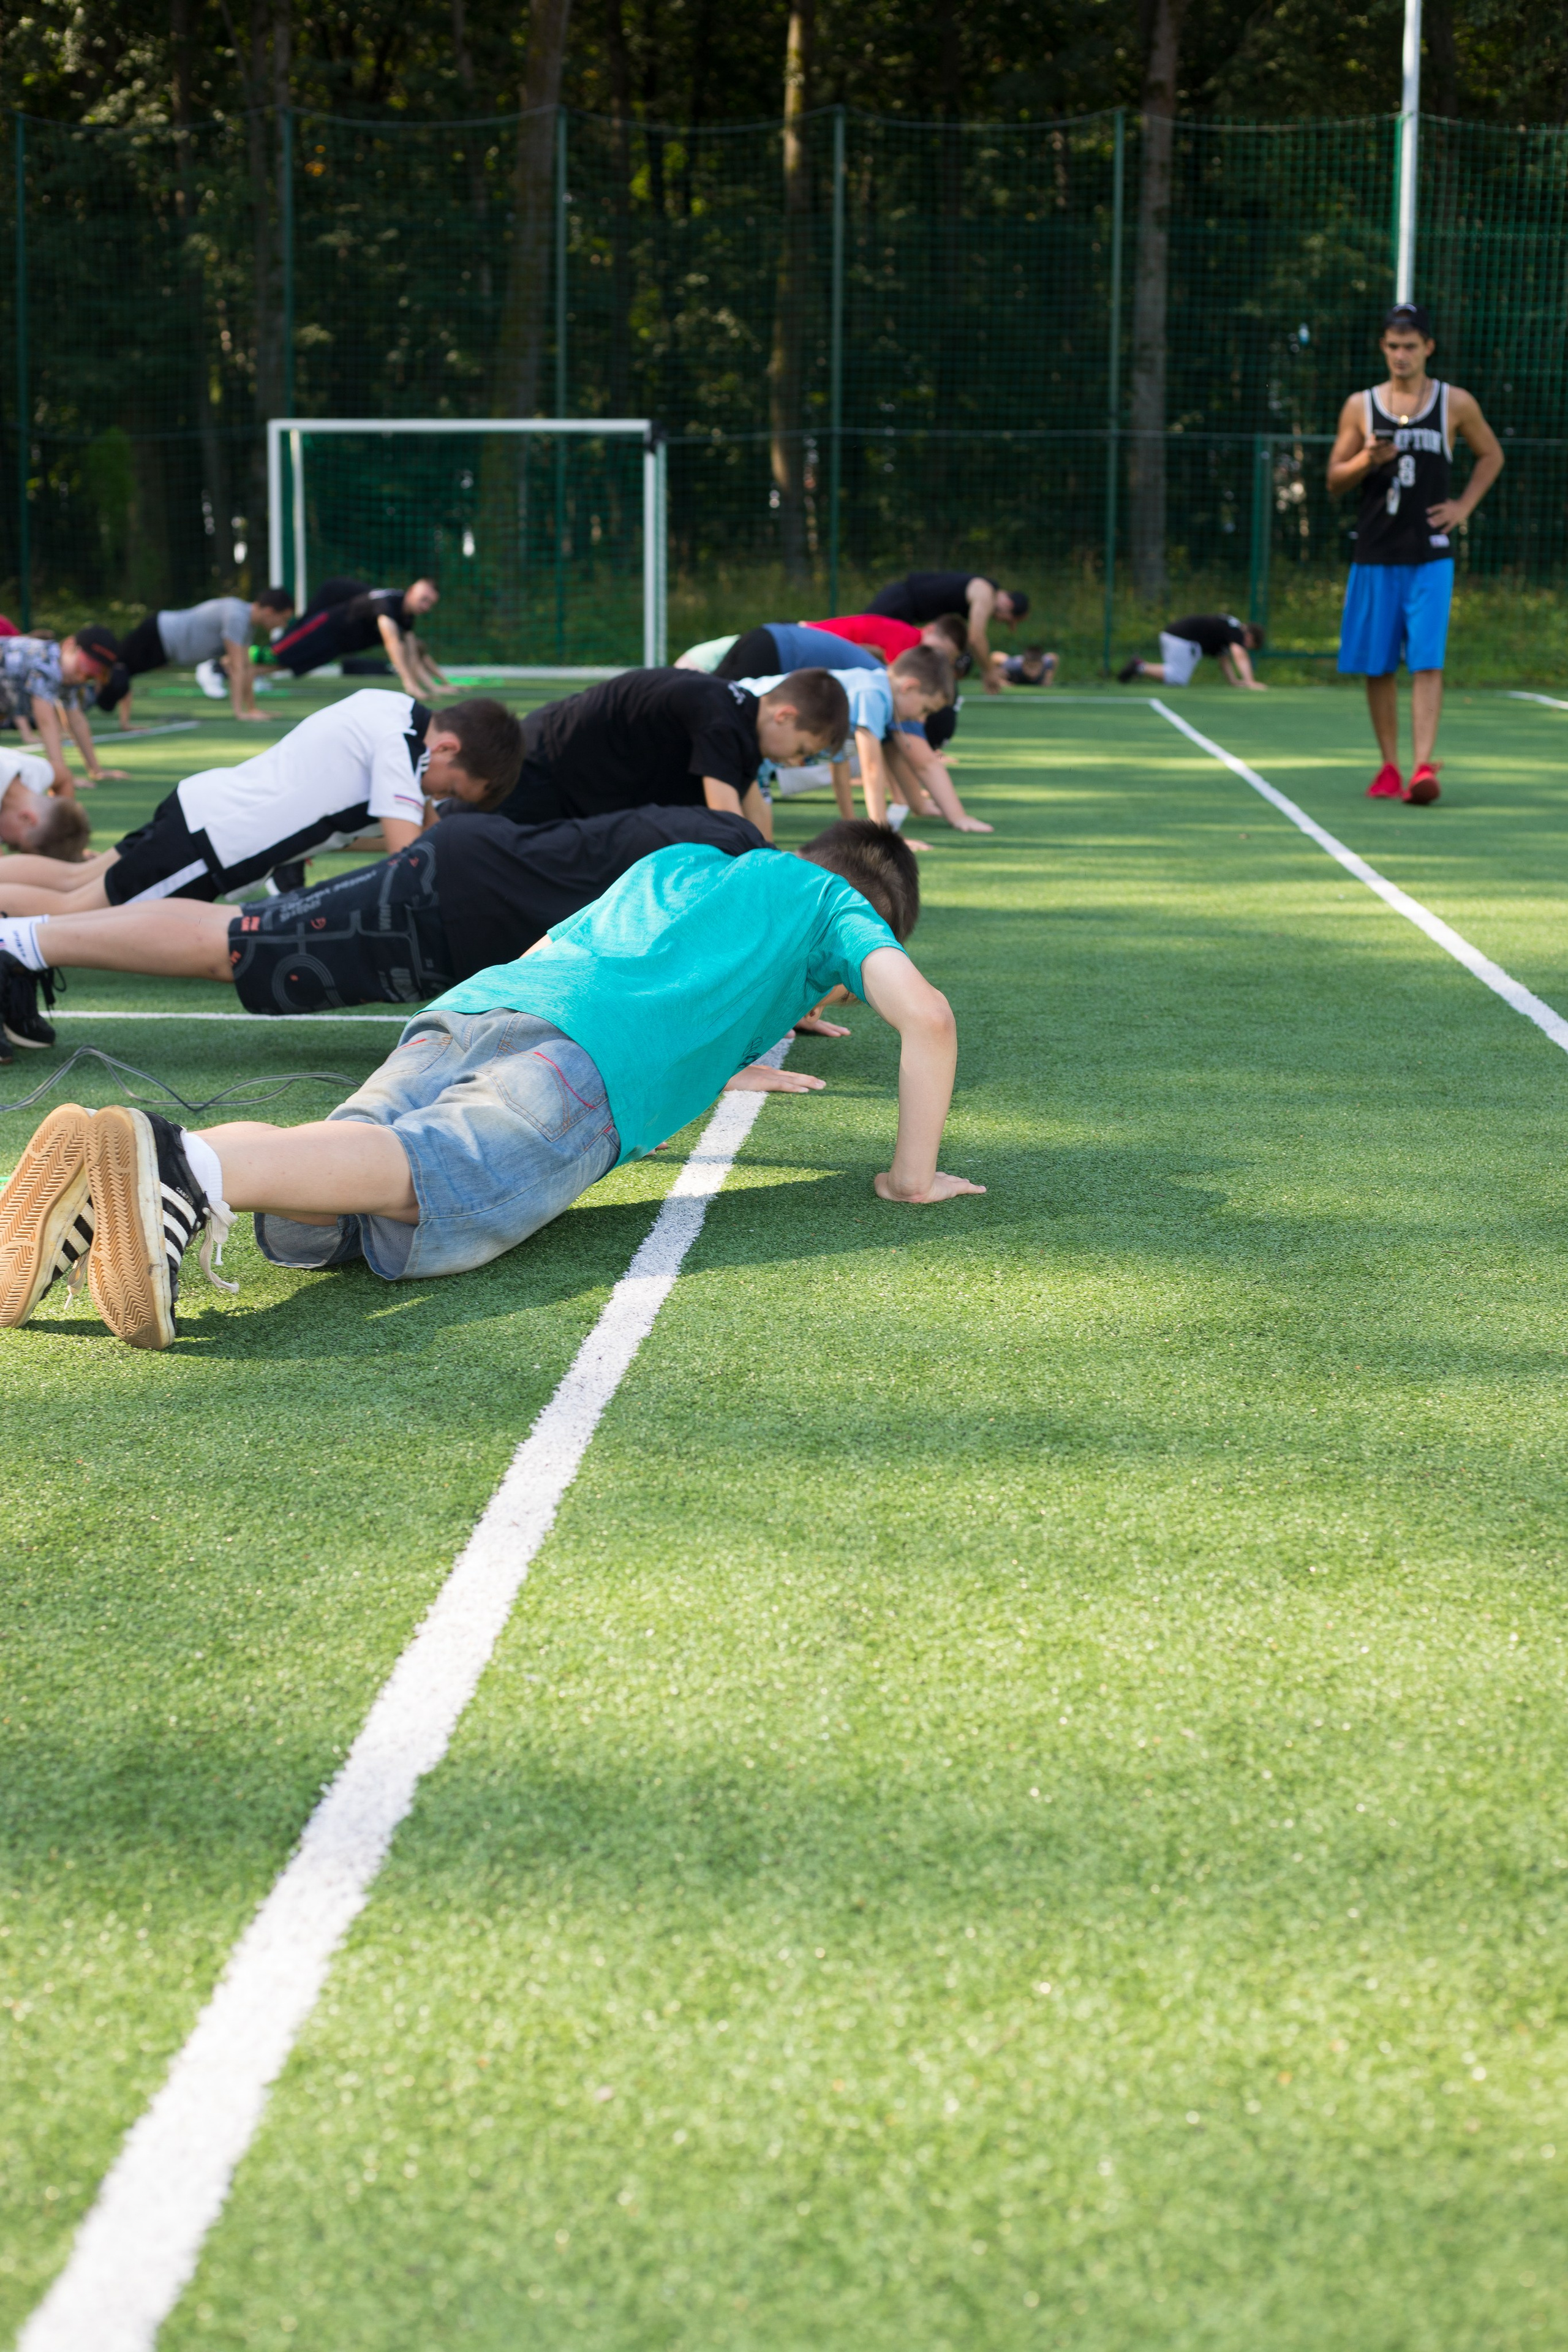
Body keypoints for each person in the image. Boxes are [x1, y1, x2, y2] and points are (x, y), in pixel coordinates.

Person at [0, 820, 984, 1349]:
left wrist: (739, 1057)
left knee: (333, 1201)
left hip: (481, 1009)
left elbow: (604, 952)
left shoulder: (689, 861)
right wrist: (910, 1176)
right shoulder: (835, 905)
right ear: (875, 905)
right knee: (442, 1177)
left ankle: (123, 1180)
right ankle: (185, 1162)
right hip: (586, 1063)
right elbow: (926, 1016)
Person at [0, 803, 765, 1033]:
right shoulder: (732, 879)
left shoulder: (736, 845)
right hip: (446, 904)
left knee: (235, 938)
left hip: (461, 890)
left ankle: (25, 942)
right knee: (232, 944)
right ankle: (18, 942)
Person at [0, 692, 522, 918]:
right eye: (450, 789)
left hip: (202, 808)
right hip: (213, 845)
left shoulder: (396, 713)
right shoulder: (403, 749)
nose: (438, 798)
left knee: (74, 882)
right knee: (74, 914)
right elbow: (411, 857)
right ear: (448, 749)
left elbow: (381, 828)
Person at [1327, 303, 1504, 804]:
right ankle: (1389, 767)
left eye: (1410, 346)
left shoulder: (1454, 403)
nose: (1401, 355)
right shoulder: (1360, 406)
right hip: (1375, 553)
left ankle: (1423, 767)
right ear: (1383, 348)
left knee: (1427, 661)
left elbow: (1492, 453)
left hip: (1430, 556)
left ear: (1428, 347)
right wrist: (1366, 458)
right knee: (1379, 665)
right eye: (1392, 346)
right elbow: (1333, 480)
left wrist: (1464, 506)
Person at [492, 667, 850, 843]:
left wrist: (774, 870)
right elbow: (730, 823)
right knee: (484, 846)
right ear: (784, 716)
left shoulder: (739, 717)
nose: (795, 762)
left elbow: (756, 822)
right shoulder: (721, 719)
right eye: (803, 750)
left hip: (572, 778)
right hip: (539, 766)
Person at [741, 646, 991, 837]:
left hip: (758, 744)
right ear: (909, 687)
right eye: (925, 709)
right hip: (745, 720)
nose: (921, 719)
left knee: (759, 829)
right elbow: (872, 769)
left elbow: (839, 764)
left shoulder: (869, 696)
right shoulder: (874, 693)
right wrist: (882, 838)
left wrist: (850, 825)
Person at [102, 589, 296, 728]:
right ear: (270, 612)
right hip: (157, 634)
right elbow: (237, 668)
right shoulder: (237, 616)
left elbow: (246, 666)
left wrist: (252, 709)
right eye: (284, 619)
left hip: (165, 648)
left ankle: (121, 721)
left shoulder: (248, 623)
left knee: (118, 675)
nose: (284, 624)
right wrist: (240, 713)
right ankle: (77, 713)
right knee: (110, 672)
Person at [0, 628, 129, 797]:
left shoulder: (69, 676)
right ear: (69, 646)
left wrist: (96, 770)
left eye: (96, 673)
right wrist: (62, 779)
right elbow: (46, 723)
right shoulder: (46, 662)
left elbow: (77, 722)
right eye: (86, 665)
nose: (85, 676)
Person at [269, 580, 446, 701]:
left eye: (430, 603)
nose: (426, 606)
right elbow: (392, 643)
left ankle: (252, 675)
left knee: (289, 663)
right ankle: (246, 667)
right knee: (278, 653)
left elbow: (414, 653)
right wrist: (410, 684)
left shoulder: (407, 617)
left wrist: (436, 685)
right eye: (424, 600)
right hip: (326, 626)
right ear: (412, 591)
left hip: (339, 644)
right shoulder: (388, 604)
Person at [866, 573, 1029, 693]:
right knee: (860, 639)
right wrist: (988, 672)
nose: (1000, 621)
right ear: (1008, 603)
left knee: (875, 650)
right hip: (900, 601)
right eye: (1008, 619)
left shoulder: (983, 589)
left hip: (906, 609)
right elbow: (976, 637)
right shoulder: (986, 592)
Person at [1117, 616, 1265, 690]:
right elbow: (1239, 654)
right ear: (1250, 637)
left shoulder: (1230, 630)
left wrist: (1233, 682)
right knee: (1178, 679)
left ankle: (1139, 667)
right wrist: (1250, 681)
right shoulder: (1237, 631)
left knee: (1176, 676)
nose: (1246, 647)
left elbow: (1224, 660)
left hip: (1175, 637)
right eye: (1250, 645)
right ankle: (1139, 666)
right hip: (1181, 640)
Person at [0, 746, 92, 862]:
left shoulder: (32, 771)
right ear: (27, 818)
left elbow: (64, 777)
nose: (9, 848)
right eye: (17, 846)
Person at [714, 622, 883, 682]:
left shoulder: (863, 662)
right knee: (722, 704)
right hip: (778, 651)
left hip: (765, 634)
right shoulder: (878, 679)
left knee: (712, 689)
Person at [991, 645, 1058, 688]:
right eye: (1030, 667)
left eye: (1036, 667)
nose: (1033, 671)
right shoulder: (1014, 666)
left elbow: (1054, 657)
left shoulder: (1046, 664)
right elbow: (995, 656)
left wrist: (1049, 677)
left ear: (1042, 665)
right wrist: (1000, 680)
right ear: (1023, 664)